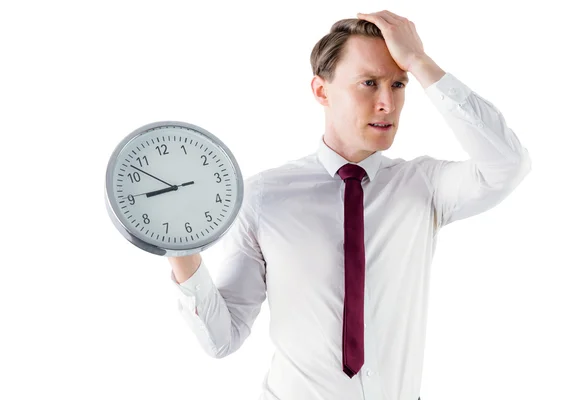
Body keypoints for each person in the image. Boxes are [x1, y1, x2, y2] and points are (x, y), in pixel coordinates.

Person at [168, 10, 532, 400]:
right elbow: (223, 338)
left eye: (398, 84)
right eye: (369, 83)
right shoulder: (263, 198)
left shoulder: (424, 186)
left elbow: (508, 166)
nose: (387, 103)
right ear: (322, 91)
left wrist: (420, 62)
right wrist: (179, 248)